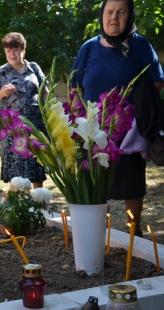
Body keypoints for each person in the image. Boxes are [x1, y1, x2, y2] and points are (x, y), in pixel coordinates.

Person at [72, 0, 164, 236]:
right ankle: (97, 236)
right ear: (102, 15)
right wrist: (75, 122)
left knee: (132, 187)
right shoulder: (88, 48)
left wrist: (135, 110)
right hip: (93, 133)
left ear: (130, 16)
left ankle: (135, 236)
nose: (114, 18)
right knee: (95, 187)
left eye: (121, 12)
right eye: (109, 12)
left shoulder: (141, 46)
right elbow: (75, 89)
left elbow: (156, 81)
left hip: (128, 135)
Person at [0, 32, 46, 188]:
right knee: (17, 175)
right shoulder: (1, 72)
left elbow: (45, 92)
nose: (12, 54)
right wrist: (2, 92)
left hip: (35, 129)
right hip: (14, 132)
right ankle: (19, 208)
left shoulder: (34, 68)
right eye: (8, 51)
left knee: (36, 170)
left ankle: (40, 205)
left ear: (23, 49)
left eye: (15, 50)